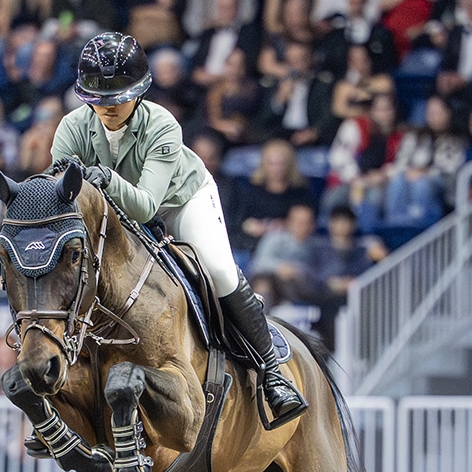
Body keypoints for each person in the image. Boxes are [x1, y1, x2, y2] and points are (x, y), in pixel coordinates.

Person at [46, 33, 309, 426]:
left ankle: (272, 372)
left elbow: (146, 207)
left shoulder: (161, 124)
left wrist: (104, 179)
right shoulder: (72, 127)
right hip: (114, 213)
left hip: (180, 201)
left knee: (218, 271)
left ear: (139, 91)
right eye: (99, 97)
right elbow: (60, 199)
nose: (109, 105)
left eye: (118, 96)